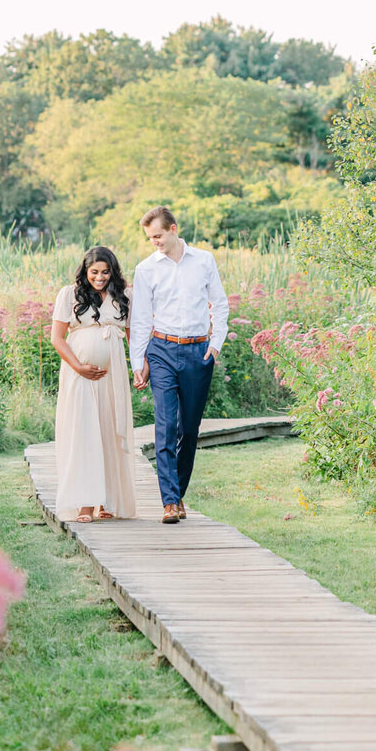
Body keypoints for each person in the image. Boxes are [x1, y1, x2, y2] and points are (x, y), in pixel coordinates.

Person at [129, 207, 228, 524]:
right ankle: (169, 502)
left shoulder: (204, 261)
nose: (154, 242)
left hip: (198, 352)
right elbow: (141, 318)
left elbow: (221, 304)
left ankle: (179, 494)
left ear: (173, 229)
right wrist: (138, 362)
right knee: (166, 426)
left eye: (157, 235)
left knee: (189, 429)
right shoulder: (146, 269)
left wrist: (214, 346)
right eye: (150, 238)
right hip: (161, 351)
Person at [49, 246, 138, 523]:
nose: (99, 277)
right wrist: (79, 367)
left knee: (110, 431)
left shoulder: (124, 296)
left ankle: (107, 501)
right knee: (84, 433)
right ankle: (84, 505)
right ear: (85, 272)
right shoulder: (70, 295)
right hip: (79, 375)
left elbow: (134, 336)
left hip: (113, 377)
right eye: (94, 272)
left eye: (105, 272)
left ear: (113, 272)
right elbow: (57, 338)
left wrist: (140, 368)